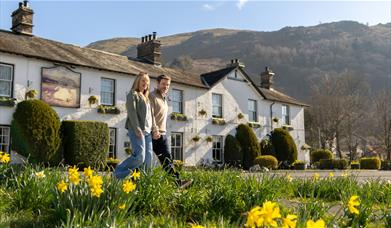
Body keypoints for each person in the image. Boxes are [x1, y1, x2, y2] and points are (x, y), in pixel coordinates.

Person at [149, 74, 193, 188]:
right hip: (152, 134)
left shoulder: (164, 98)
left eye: (167, 85)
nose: (165, 86)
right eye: (163, 84)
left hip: (162, 134)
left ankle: (177, 183)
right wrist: (154, 130)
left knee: (167, 159)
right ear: (157, 84)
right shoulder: (152, 96)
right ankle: (133, 182)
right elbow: (151, 115)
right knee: (143, 160)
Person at [114, 72, 155, 179]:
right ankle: (117, 174)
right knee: (139, 157)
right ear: (137, 81)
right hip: (137, 130)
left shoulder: (147, 98)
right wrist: (137, 127)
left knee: (148, 160)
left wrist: (154, 129)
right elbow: (132, 112)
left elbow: (151, 116)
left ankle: (144, 183)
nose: (145, 83)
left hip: (148, 132)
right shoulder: (133, 94)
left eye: (147, 81)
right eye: (143, 80)